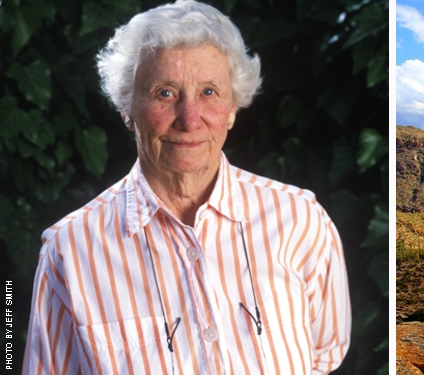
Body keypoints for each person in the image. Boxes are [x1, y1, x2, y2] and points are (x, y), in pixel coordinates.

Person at [21, 1, 351, 374]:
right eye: (164, 92)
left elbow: (324, 355)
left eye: (209, 92)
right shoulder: (69, 249)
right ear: (126, 108)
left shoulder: (301, 220)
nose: (189, 119)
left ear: (232, 108)